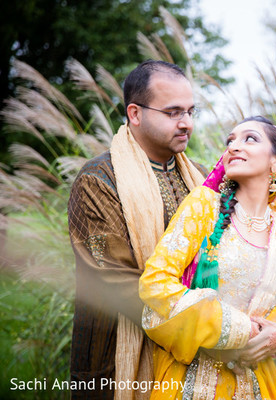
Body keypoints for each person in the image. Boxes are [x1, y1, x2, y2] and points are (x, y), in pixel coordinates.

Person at [139, 116, 276, 399]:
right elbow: (155, 284)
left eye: (249, 139)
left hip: (256, 383)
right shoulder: (204, 206)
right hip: (192, 380)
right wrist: (237, 329)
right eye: (230, 140)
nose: (233, 147)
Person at [68, 60, 206, 399]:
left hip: (191, 360)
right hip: (114, 358)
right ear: (135, 113)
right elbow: (115, 280)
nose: (186, 123)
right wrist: (211, 327)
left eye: (191, 111)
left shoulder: (201, 178)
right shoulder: (99, 180)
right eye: (173, 112)